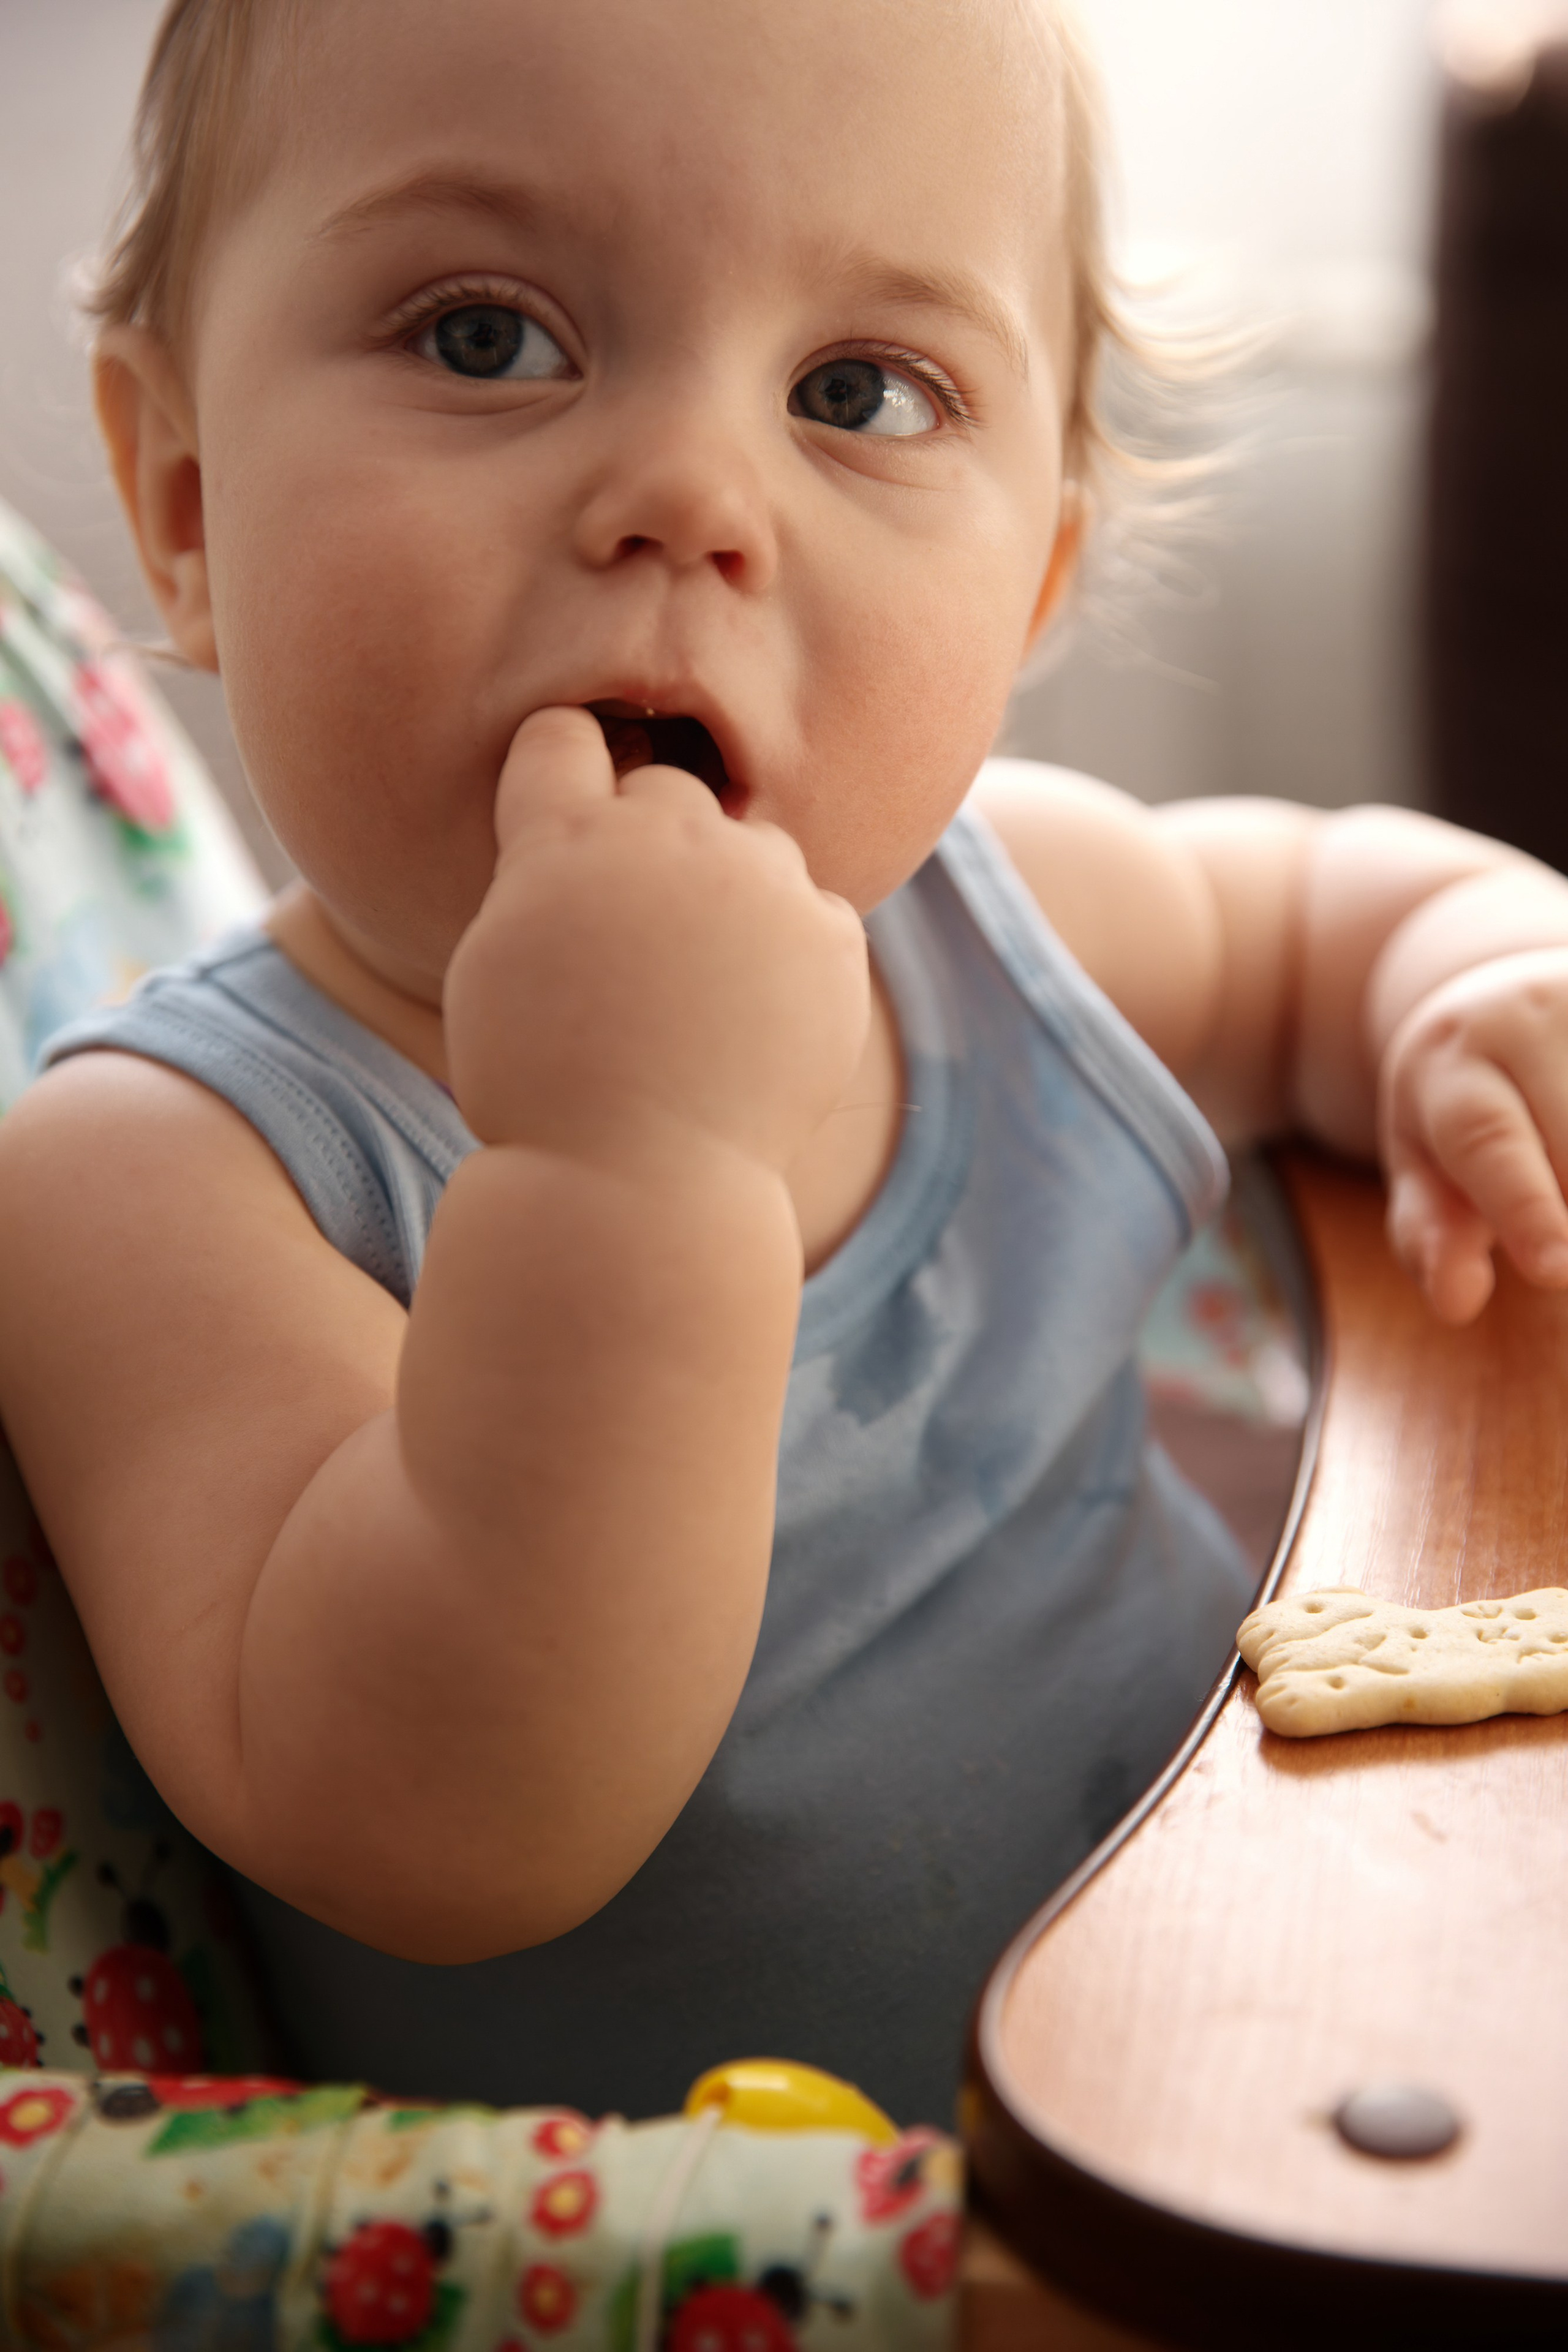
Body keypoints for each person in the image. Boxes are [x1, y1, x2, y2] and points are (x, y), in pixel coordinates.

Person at [2, 0, 1568, 2127]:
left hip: (1295, 1991)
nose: (687, 495)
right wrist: (638, 1165)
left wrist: (1479, 977)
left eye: (861, 390)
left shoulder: (988, 916)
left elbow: (1317, 921)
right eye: (488, 337)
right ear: (185, 502)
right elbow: (449, 1814)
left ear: (1029, 592)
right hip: (911, 2256)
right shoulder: (157, 1179)